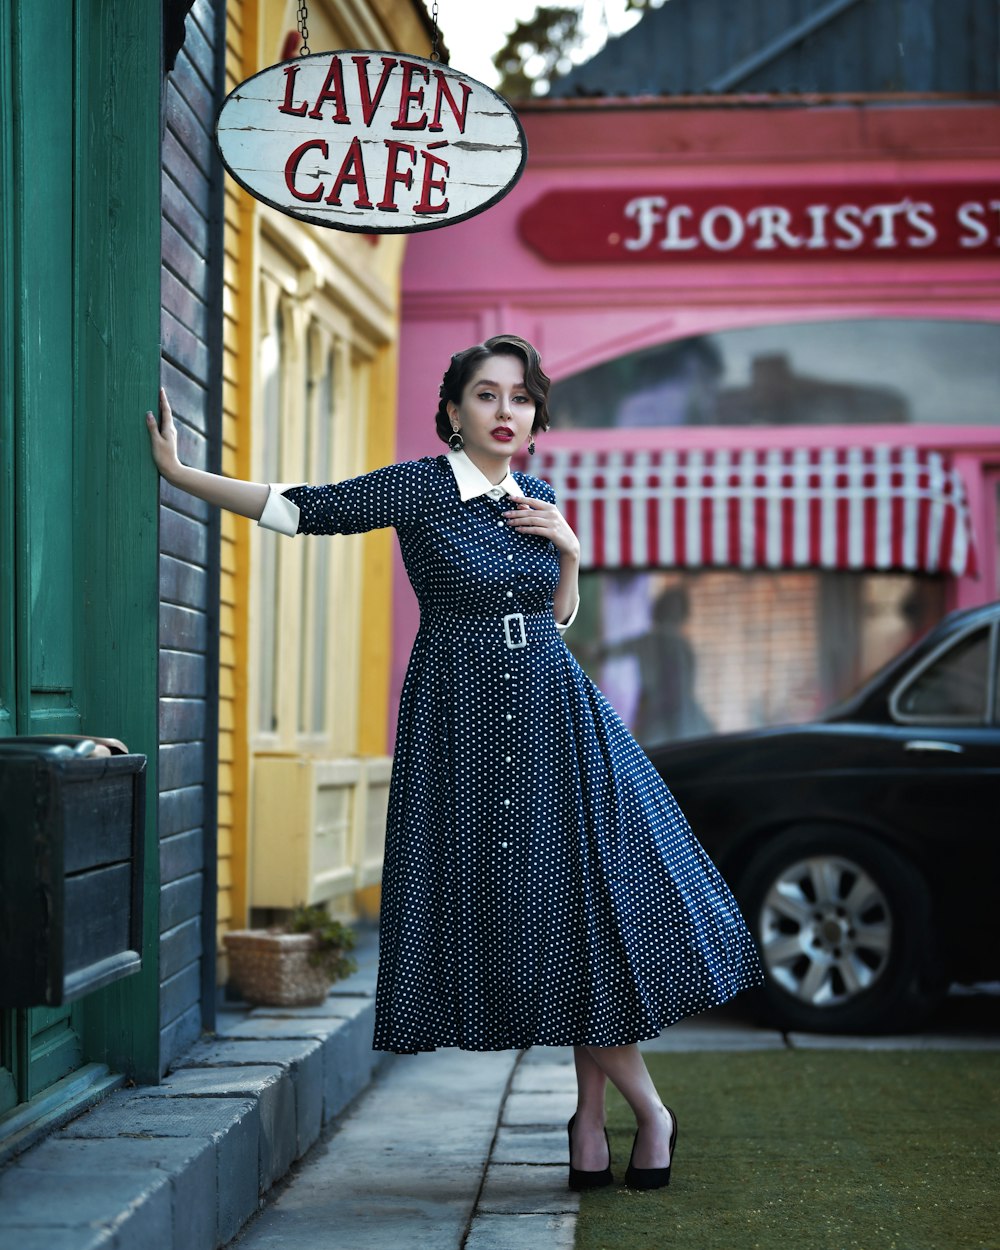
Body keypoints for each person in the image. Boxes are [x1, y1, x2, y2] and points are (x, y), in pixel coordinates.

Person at [146, 333, 762, 1192]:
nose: (505, 411)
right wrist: (185, 479)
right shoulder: (420, 488)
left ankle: (591, 1124)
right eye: (486, 395)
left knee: (588, 906)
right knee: (539, 915)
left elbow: (556, 618)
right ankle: (647, 1113)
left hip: (558, 716)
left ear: (537, 414)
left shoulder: (540, 495)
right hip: (464, 727)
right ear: (452, 411)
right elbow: (302, 506)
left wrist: (572, 551)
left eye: (520, 397)